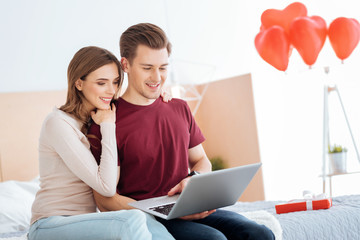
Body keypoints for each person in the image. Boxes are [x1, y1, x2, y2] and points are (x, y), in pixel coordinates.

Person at [89, 23, 275, 240]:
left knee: (259, 233)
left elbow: (201, 161)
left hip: (188, 208)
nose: (157, 78)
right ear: (126, 64)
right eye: (147, 68)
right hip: (147, 218)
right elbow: (104, 199)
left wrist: (193, 181)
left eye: (163, 68)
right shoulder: (108, 121)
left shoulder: (179, 107)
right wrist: (159, 211)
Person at [28, 46, 174, 240]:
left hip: (89, 221)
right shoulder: (58, 124)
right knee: (132, 219)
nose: (112, 91)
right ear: (79, 83)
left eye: (115, 82)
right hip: (50, 224)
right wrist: (107, 126)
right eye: (101, 83)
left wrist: (157, 96)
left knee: (146, 219)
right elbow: (106, 187)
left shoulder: (100, 117)